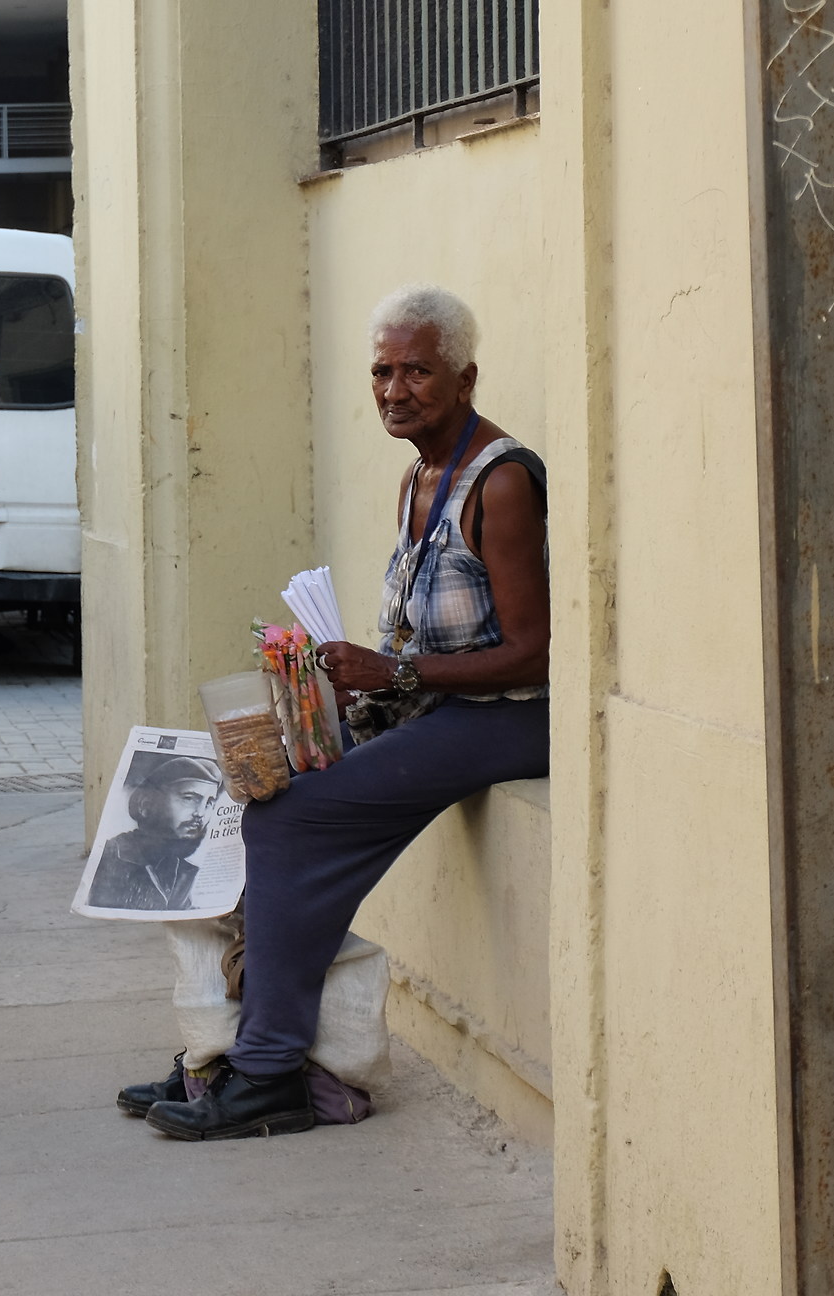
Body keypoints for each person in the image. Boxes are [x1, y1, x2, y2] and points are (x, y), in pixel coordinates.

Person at [135, 284, 550, 1142]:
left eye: (417, 372)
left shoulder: (501, 480)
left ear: (465, 379)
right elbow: (418, 637)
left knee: (290, 821)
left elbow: (534, 653)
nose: (395, 390)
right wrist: (342, 686)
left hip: (507, 717)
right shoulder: (417, 476)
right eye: (382, 372)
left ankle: (268, 1073)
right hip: (434, 707)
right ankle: (218, 1054)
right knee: (252, 787)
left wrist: (396, 671)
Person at [87, 756, 220, 911]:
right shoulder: (112, 854)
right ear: (146, 805)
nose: (201, 813)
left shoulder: (182, 869)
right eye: (189, 799)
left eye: (209, 803)